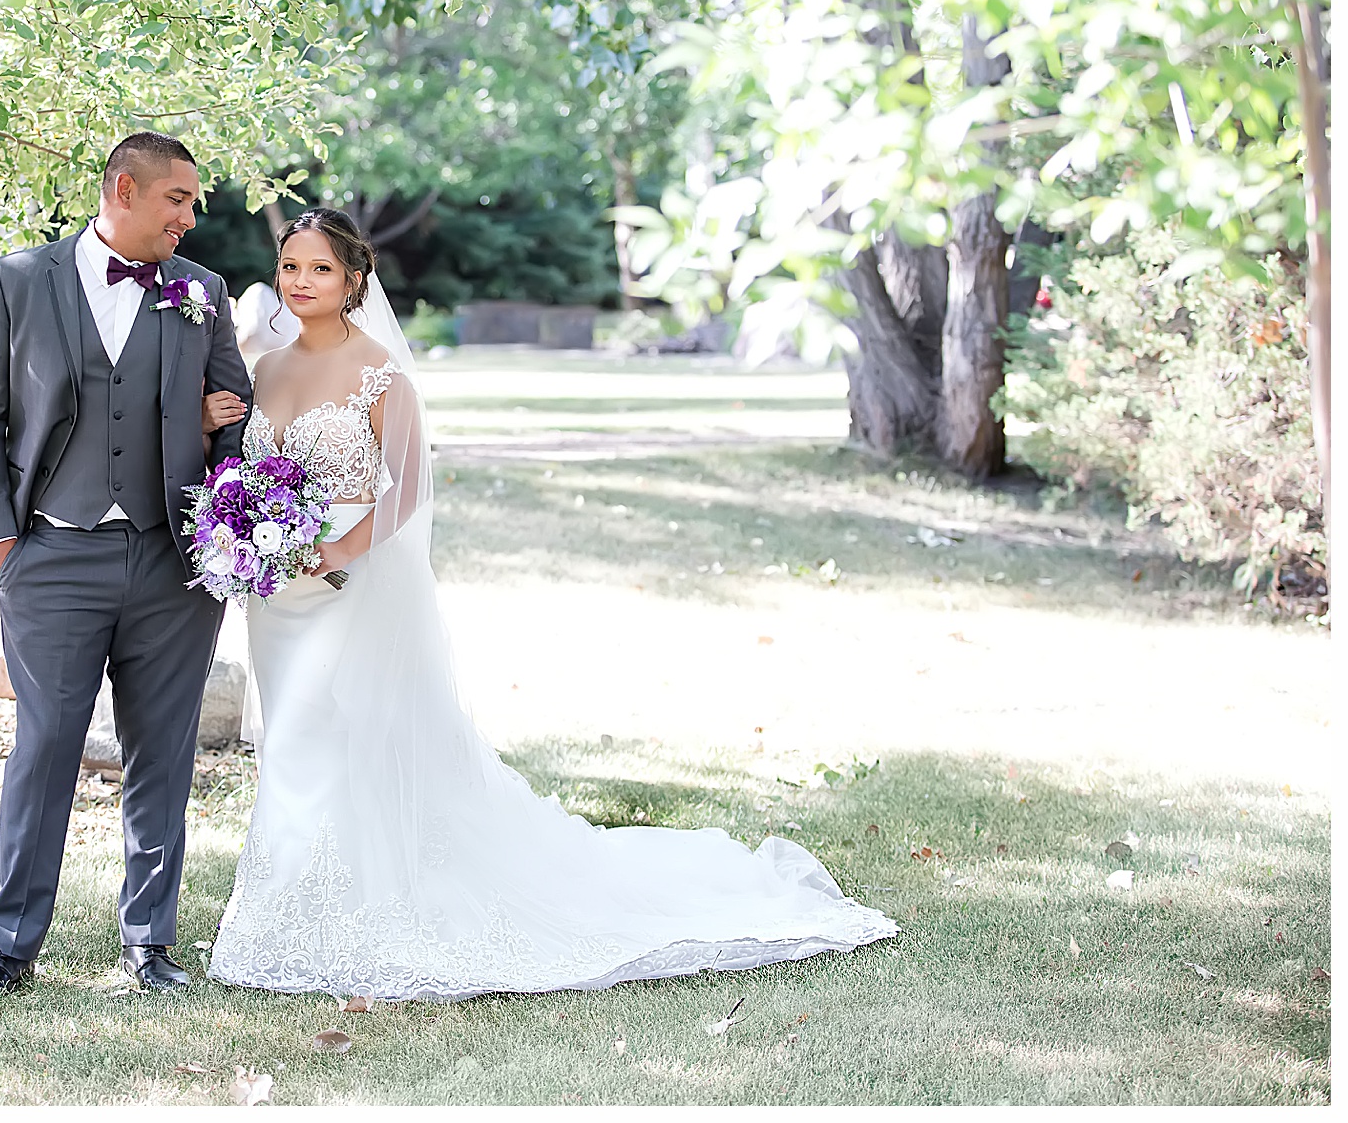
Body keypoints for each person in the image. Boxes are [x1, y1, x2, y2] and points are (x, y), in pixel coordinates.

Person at [207, 209, 897, 999]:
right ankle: (285, 917)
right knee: (291, 741)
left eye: (319, 269)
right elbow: (245, 465)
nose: (299, 282)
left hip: (347, 581)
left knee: (337, 733)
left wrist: (332, 553)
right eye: (290, 266)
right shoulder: (264, 365)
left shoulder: (381, 373)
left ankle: (358, 912)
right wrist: (250, 531)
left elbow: (407, 495)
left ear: (355, 278)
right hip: (273, 590)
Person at [0, 132, 252, 999]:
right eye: (178, 200)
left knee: (163, 750)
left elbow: (235, 417)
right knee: (44, 746)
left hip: (172, 563)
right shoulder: (17, 279)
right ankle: (10, 945)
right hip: (51, 553)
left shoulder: (203, 292)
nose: (190, 219)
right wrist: (1, 542)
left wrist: (216, 474)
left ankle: (151, 941)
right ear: (125, 188)